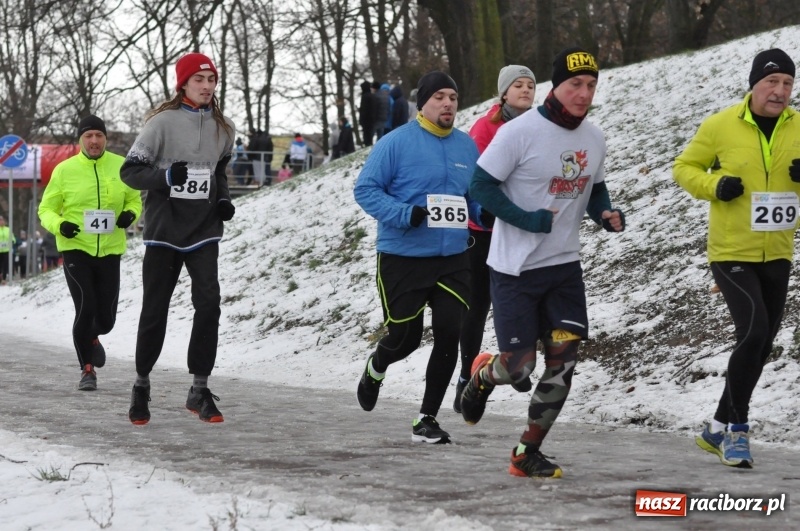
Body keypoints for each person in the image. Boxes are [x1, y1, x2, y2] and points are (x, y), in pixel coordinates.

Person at [465, 47, 625, 478]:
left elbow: (594, 188)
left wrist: (605, 213)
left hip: (563, 268)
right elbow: (480, 187)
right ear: (557, 85)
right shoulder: (520, 132)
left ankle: (525, 451)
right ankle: (483, 375)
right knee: (520, 366)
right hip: (515, 268)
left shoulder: (594, 137)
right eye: (576, 84)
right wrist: (525, 219)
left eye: (591, 85)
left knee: (562, 363)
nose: (584, 93)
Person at [673, 48, 800, 469]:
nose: (779, 91)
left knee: (760, 346)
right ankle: (737, 433)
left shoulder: (799, 126)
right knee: (753, 331)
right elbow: (684, 167)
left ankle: (715, 427)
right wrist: (715, 185)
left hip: (777, 250)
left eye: (787, 83)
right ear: (754, 85)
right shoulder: (721, 125)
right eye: (771, 82)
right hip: (731, 252)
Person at [354, 71, 489, 445]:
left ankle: (426, 419)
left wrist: (482, 214)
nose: (448, 104)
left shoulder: (466, 147)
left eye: (454, 97)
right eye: (440, 97)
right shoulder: (395, 143)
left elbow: (473, 197)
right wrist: (403, 213)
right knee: (404, 337)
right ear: (423, 103)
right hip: (404, 255)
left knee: (450, 331)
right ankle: (376, 367)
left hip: (453, 257)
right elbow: (365, 189)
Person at [120, 52, 236, 426]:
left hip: (204, 231)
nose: (206, 86)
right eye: (199, 79)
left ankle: (199, 389)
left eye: (212, 80)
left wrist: (222, 200)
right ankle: (141, 385)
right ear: (183, 84)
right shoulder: (161, 124)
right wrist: (166, 178)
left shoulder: (225, 127)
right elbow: (130, 172)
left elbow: (219, 172)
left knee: (209, 304)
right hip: (164, 232)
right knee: (155, 310)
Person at [453, 65, 537, 414]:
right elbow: (474, 179)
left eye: (531, 85)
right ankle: (464, 377)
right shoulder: (485, 128)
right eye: (518, 85)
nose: (526, 90)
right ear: (504, 92)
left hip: (518, 227)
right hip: (484, 229)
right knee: (478, 305)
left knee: (516, 297)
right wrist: (485, 211)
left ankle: (514, 360)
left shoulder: (538, 127)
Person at [38, 114, 142, 391]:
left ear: (105, 138)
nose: (94, 141)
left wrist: (130, 214)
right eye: (88, 136)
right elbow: (45, 209)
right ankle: (87, 370)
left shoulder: (121, 166)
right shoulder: (64, 170)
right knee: (85, 308)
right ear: (80, 140)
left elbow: (134, 199)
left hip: (110, 250)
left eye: (98, 135)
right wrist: (61, 225)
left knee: (106, 318)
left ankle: (94, 337)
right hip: (76, 250)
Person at [358, 81, 377, 147]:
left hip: (366, 120)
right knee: (369, 136)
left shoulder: (365, 96)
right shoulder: (372, 96)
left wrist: (361, 120)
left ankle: (368, 146)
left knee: (366, 136)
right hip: (372, 120)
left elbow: (364, 110)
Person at [0, 215, 15, 284]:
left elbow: (12, 238)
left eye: (2, 220)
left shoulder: (8, 229)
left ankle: (4, 278)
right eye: (0, 221)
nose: (1, 222)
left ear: (4, 222)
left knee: (5, 264)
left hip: (6, 250)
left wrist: (12, 241)